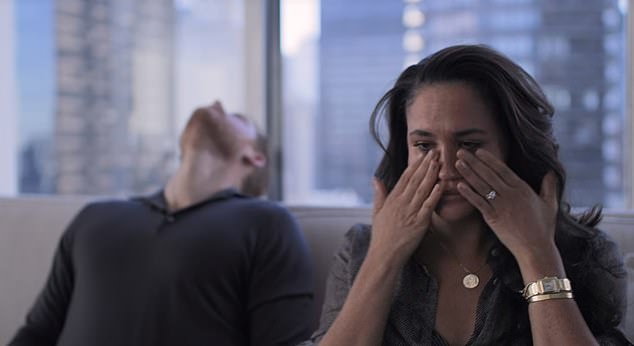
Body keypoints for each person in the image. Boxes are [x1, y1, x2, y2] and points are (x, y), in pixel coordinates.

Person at [302, 45, 631, 345]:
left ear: (512, 151)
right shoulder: (359, 251)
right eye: (424, 146)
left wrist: (537, 254)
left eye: (470, 145)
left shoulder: (585, 253)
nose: (446, 167)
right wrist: (384, 257)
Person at [10, 101, 315, 346]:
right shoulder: (95, 216)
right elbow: (37, 333)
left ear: (254, 158)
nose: (217, 104)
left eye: (236, 117)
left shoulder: (266, 224)